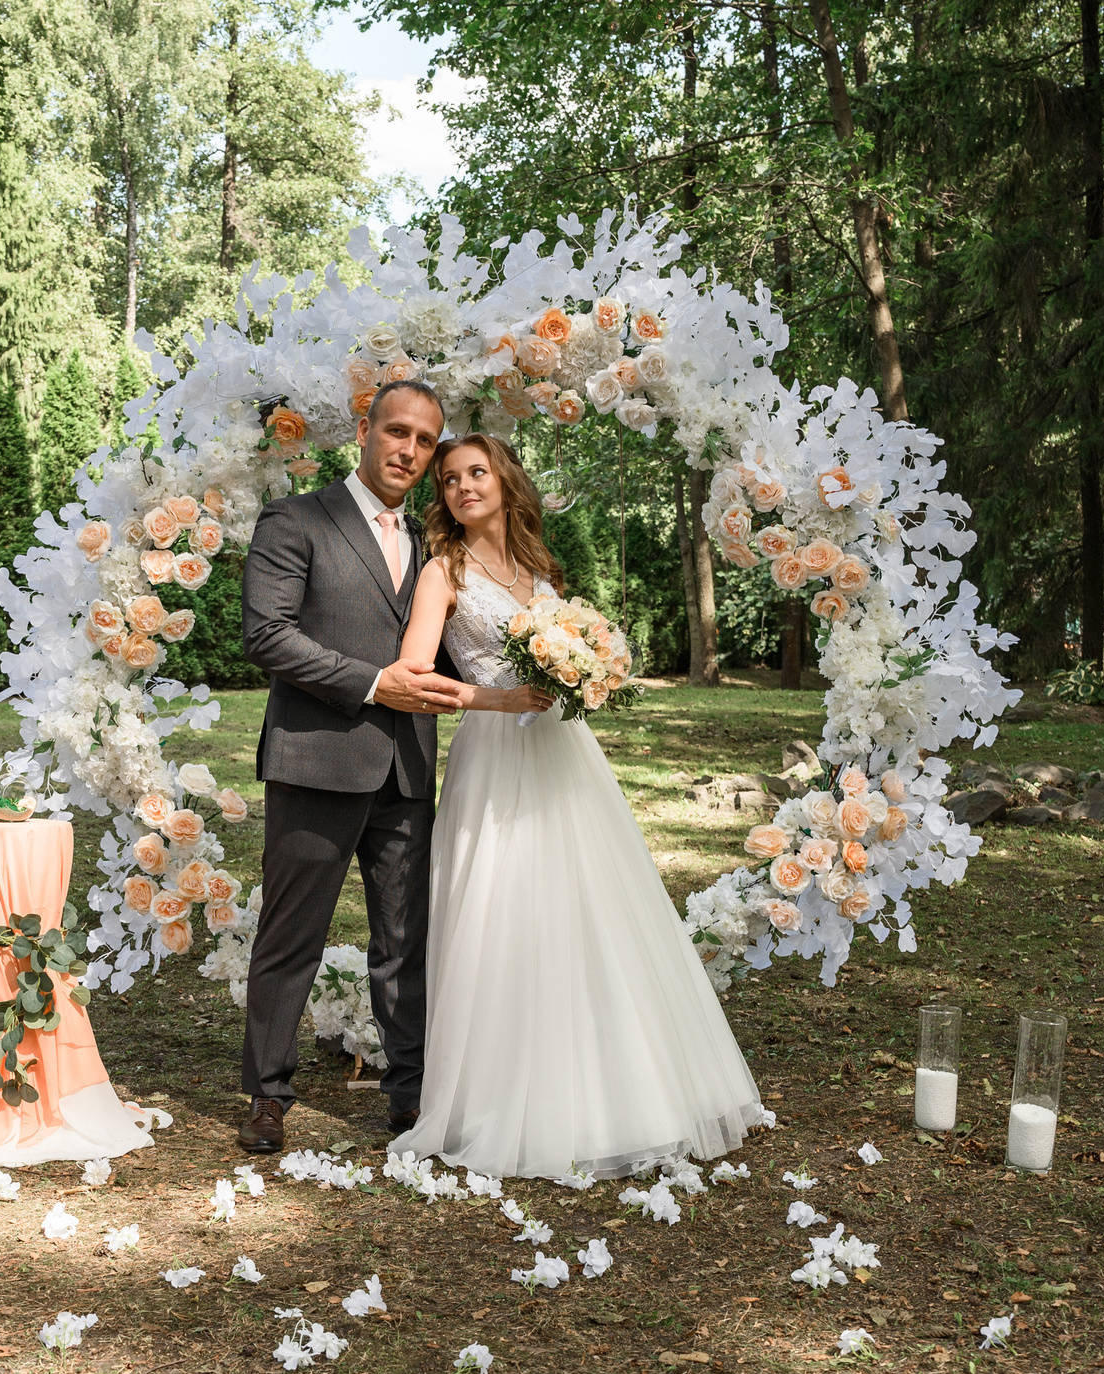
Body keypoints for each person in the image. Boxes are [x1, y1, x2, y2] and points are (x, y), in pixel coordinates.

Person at [394, 433, 768, 1179]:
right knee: (502, 908)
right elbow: (412, 675)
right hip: (494, 754)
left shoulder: (539, 567)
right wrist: (497, 697)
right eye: (451, 480)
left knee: (586, 903)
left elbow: (567, 656)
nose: (465, 487)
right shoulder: (443, 572)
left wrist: (586, 675)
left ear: (504, 480)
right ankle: (499, 1097)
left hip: (563, 753)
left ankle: (616, 1089)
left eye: (477, 472)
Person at [236, 380, 471, 1155]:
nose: (409, 450)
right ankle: (267, 1095)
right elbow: (266, 634)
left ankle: (410, 1097)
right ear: (364, 430)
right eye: (397, 432)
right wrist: (374, 683)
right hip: (316, 759)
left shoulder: (438, 547)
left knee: (405, 939)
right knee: (290, 935)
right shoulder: (297, 519)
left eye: (425, 441)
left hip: (407, 769)